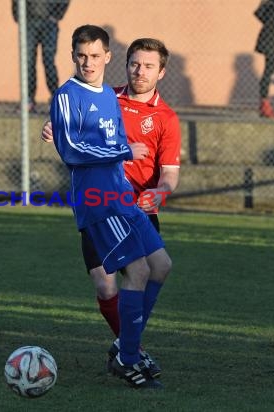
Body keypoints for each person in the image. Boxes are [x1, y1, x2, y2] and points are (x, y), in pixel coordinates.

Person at [42, 37, 181, 379]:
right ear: (124, 62)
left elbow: (170, 176)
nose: (140, 71)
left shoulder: (165, 118)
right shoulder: (106, 95)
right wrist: (55, 128)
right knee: (108, 286)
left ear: (161, 73)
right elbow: (74, 127)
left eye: (149, 66)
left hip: (137, 207)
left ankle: (127, 348)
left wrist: (160, 193)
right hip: (102, 203)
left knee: (158, 267)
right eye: (135, 63)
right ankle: (131, 351)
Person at [12, 0, 70, 113]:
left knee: (48, 61)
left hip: (49, 23)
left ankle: (55, 100)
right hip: (29, 22)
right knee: (28, 62)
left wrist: (56, 15)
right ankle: (28, 101)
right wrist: (18, 16)